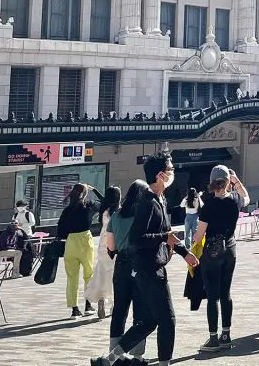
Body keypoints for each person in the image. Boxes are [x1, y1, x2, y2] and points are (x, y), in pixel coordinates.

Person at [91, 151, 200, 366]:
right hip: (148, 268)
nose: (173, 173)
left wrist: (184, 252)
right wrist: (164, 237)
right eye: (170, 170)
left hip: (150, 267)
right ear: (160, 174)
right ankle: (163, 363)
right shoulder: (148, 201)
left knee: (149, 320)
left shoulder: (160, 199)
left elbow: (167, 232)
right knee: (168, 319)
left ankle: (110, 359)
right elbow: (137, 238)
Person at [192, 165, 249, 352]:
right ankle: (226, 335)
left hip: (212, 253)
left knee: (212, 296)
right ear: (227, 182)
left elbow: (199, 236)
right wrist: (237, 182)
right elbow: (247, 198)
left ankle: (213, 338)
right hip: (230, 249)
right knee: (226, 293)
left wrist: (193, 240)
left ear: (211, 183)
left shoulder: (208, 206)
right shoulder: (234, 201)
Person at [106, 180, 149, 363]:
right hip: (140, 263)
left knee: (120, 309)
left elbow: (111, 245)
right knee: (140, 308)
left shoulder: (116, 216)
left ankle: (115, 352)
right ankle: (137, 353)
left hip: (121, 263)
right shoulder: (143, 215)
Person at [57, 183, 100, 318]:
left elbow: (60, 230)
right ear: (84, 194)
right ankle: (88, 305)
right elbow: (105, 202)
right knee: (89, 274)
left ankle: (74, 309)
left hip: (70, 241)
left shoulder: (67, 210)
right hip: (85, 239)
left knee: (72, 277)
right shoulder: (88, 205)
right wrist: (94, 190)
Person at [85, 186, 121, 319]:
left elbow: (102, 199)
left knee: (101, 270)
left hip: (103, 241)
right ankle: (113, 304)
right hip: (115, 240)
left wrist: (95, 190)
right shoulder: (119, 211)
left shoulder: (103, 210)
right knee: (114, 272)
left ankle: (101, 299)